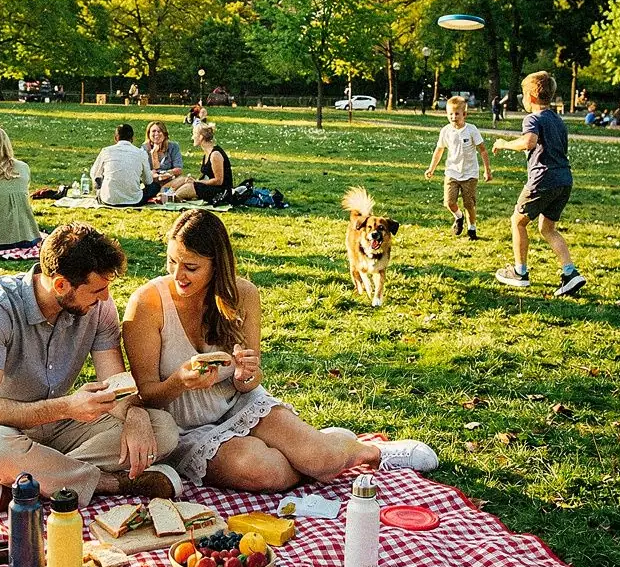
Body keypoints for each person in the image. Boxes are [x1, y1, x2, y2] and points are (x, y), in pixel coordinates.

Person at [123, 208, 438, 491]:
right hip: (183, 428)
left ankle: (366, 452)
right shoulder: (147, 304)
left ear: (216, 265)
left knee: (319, 458)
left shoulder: (243, 294)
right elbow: (146, 394)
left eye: (191, 267)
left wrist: (246, 373)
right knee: (265, 471)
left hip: (238, 405)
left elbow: (248, 382)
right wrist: (180, 380)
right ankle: (319, 448)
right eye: (172, 261)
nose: (178, 275)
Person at [0, 222, 179, 507]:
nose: (105, 298)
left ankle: (31, 480)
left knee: (162, 429)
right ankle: (111, 483)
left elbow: (116, 386)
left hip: (58, 429)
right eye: (96, 290)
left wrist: (136, 415)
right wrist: (67, 407)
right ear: (60, 284)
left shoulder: (99, 308)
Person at [493, 71, 585, 297]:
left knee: (518, 222)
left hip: (543, 180)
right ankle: (570, 273)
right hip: (564, 180)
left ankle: (519, 272)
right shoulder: (557, 120)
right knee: (547, 228)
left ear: (531, 97)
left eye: (523, 94)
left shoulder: (532, 118)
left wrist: (504, 143)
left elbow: (529, 141)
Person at [424, 96, 492, 240]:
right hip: (452, 172)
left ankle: (472, 228)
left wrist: (487, 170)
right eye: (450, 114)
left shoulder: (471, 130)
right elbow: (439, 150)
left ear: (464, 114)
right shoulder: (446, 131)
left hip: (470, 173)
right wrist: (431, 168)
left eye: (457, 114)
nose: (453, 117)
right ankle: (458, 217)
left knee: (469, 204)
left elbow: (483, 150)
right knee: (449, 202)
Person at [90, 123, 160, 207]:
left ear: (116, 138)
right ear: (132, 139)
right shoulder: (141, 153)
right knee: (155, 187)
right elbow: (148, 181)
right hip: (134, 200)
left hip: (108, 199)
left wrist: (99, 187)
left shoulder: (106, 151)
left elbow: (94, 173)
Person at [166, 122, 233, 206]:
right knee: (183, 179)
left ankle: (169, 197)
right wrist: (194, 181)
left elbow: (218, 181)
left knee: (183, 191)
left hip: (220, 191)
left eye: (194, 134)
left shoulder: (215, 155)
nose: (192, 137)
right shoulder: (207, 153)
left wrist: (197, 182)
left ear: (201, 137)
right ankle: (166, 194)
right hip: (210, 187)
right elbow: (206, 176)